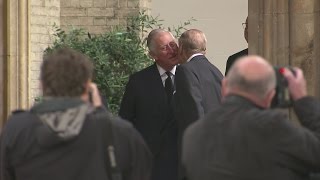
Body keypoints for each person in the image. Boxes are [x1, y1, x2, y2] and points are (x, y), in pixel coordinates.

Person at [0, 48, 152, 180]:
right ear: (88, 86)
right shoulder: (120, 133)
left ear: (42, 85)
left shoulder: (16, 129)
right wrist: (101, 113)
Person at [182, 55, 320, 180]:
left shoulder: (193, 134)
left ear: (224, 86)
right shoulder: (272, 127)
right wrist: (302, 99)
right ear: (270, 95)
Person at [119, 29, 179, 180]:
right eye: (165, 48)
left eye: (173, 44)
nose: (172, 50)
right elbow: (125, 122)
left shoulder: (190, 77)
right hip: (150, 164)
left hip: (181, 163)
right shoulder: (138, 81)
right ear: (153, 55)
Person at [174, 28, 223, 179]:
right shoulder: (216, 71)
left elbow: (195, 110)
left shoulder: (185, 70)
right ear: (204, 49)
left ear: (181, 48)